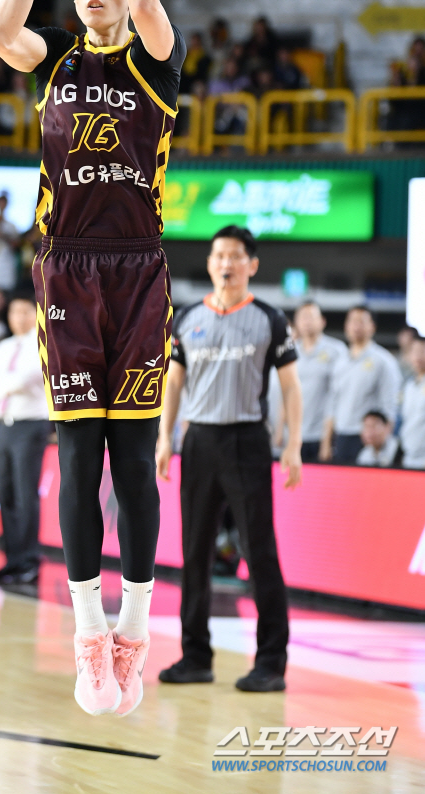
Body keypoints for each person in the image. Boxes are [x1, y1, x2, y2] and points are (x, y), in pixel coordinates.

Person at [0, 0, 185, 718]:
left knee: (133, 459)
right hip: (67, 269)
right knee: (78, 453)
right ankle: (86, 634)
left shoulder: (154, 58)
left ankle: (136, 627)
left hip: (139, 270)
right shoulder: (55, 61)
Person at [157, 225, 302, 693]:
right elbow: (173, 384)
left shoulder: (269, 319)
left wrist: (294, 445)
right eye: (219, 254)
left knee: (259, 551)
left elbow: (291, 387)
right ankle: (195, 656)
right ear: (210, 261)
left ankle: (270, 663)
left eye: (236, 256)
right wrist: (165, 438)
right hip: (198, 442)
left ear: (252, 265)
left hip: (246, 443)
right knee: (194, 551)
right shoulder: (187, 318)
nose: (226, 263)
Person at [0, 295, 51, 585]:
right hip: (5, 426)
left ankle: (29, 561)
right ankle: (12, 559)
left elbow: (25, 379)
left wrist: (4, 385)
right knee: (6, 493)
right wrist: (5, 387)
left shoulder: (43, 343)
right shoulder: (3, 347)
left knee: (25, 493)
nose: (19, 317)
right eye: (14, 311)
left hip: (31, 424)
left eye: (25, 311)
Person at [323, 307, 401, 465]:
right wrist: (326, 441)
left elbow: (391, 405)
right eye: (352, 321)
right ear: (346, 326)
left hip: (368, 438)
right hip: (341, 435)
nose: (356, 326)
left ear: (372, 326)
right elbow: (332, 403)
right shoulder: (340, 361)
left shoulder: (383, 361)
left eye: (361, 322)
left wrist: (383, 444)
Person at [290, 301, 347, 463]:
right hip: (296, 434)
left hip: (323, 434)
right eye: (302, 317)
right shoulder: (290, 352)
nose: (306, 322)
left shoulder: (337, 351)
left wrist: (327, 440)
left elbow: (337, 396)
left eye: (311, 317)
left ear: (322, 321)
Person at [399, 334, 425, 469]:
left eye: (423, 351)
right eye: (415, 352)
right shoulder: (408, 386)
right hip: (409, 455)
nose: (418, 356)